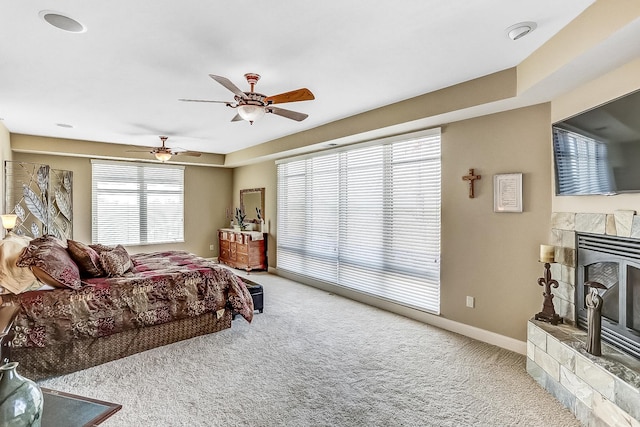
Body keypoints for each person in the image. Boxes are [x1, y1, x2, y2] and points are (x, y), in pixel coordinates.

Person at [585, 281, 606, 356]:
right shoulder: (588, 296)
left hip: (596, 316)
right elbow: (587, 304)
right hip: (590, 314)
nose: (592, 290)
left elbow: (597, 308)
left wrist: (592, 307)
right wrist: (592, 307)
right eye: (591, 289)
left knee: (595, 330)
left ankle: (594, 349)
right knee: (590, 329)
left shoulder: (599, 299)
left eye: (594, 289)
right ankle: (588, 347)